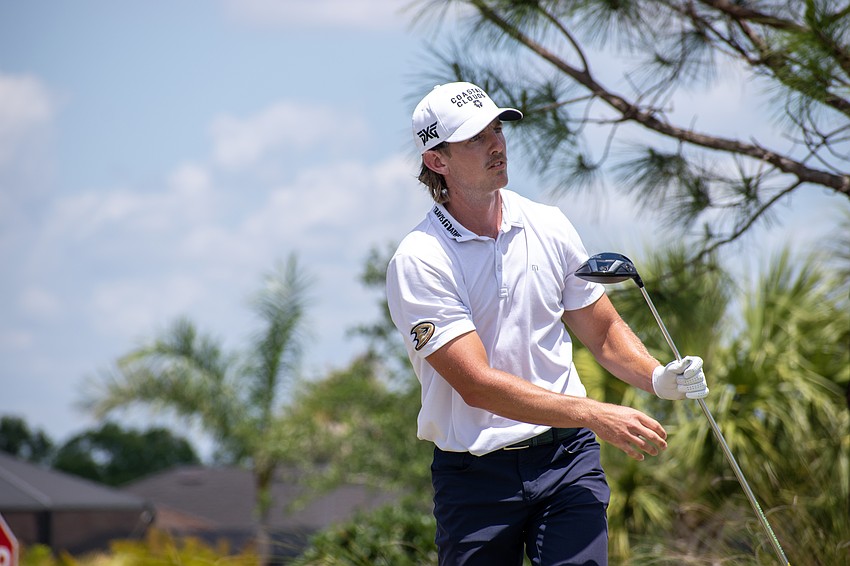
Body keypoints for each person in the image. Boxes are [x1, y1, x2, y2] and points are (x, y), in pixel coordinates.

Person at [385, 81, 709, 566]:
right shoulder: (420, 259)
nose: (497, 143)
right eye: (475, 137)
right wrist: (593, 413)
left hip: (566, 461)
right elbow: (476, 384)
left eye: (497, 128)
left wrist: (658, 377)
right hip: (476, 476)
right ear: (437, 161)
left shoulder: (548, 224)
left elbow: (601, 332)